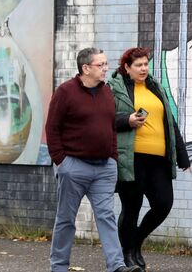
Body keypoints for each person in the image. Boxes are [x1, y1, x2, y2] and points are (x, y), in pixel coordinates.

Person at [45, 47, 142, 272]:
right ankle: (59, 267)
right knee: (66, 220)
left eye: (106, 64)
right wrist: (62, 162)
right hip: (74, 168)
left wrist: (113, 158)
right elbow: (52, 128)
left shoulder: (107, 92)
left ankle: (116, 266)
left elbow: (109, 127)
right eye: (101, 65)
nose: (106, 68)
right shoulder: (65, 92)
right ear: (85, 68)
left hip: (104, 168)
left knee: (106, 217)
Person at [108, 47, 190, 269]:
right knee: (131, 207)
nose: (144, 68)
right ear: (127, 67)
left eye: (146, 64)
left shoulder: (155, 87)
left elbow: (170, 123)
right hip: (132, 159)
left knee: (163, 204)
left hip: (159, 160)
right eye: (138, 65)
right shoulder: (115, 89)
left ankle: (136, 243)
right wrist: (127, 120)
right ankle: (127, 255)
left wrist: (182, 156)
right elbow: (104, 120)